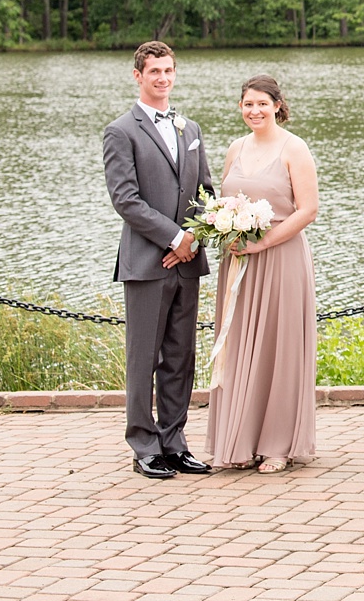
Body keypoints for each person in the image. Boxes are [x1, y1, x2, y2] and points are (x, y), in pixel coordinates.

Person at [101, 40, 214, 479]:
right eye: (154, 72)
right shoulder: (120, 131)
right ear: (138, 76)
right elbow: (125, 200)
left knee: (180, 356)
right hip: (147, 262)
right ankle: (144, 445)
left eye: (168, 71)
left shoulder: (191, 129)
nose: (163, 79)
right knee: (142, 356)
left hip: (187, 262)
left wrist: (195, 236)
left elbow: (205, 192)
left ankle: (175, 441)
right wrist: (173, 238)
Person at [205, 75, 319, 472]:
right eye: (247, 104)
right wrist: (225, 226)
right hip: (238, 262)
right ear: (240, 107)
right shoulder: (235, 148)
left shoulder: (294, 148)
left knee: (278, 346)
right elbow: (224, 201)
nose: (254, 111)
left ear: (277, 105)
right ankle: (241, 438)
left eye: (262, 104)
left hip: (282, 259)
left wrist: (263, 242)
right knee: (238, 346)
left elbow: (308, 210)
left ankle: (277, 445)